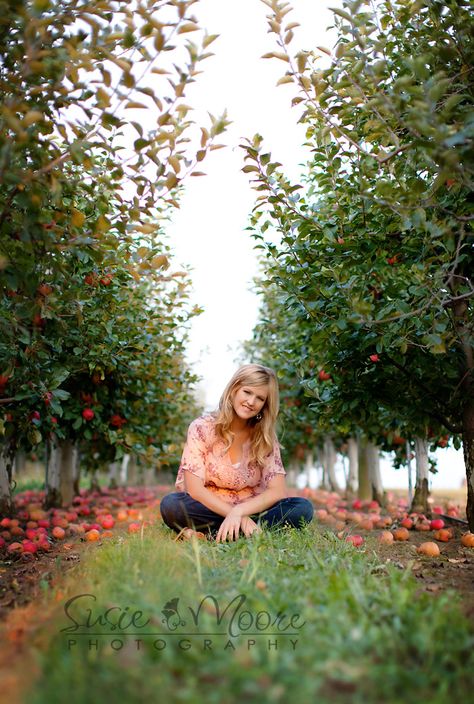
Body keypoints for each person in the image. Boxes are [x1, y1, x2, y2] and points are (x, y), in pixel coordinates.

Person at [160, 364, 314, 542]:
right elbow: (195, 490)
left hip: (253, 511)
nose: (251, 402)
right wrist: (238, 518)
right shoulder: (202, 427)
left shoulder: (265, 438)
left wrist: (240, 512)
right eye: (247, 392)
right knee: (172, 505)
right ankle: (245, 532)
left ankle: (215, 534)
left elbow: (277, 491)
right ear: (234, 389)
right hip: (210, 509)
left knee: (302, 508)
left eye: (260, 398)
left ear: (265, 405)